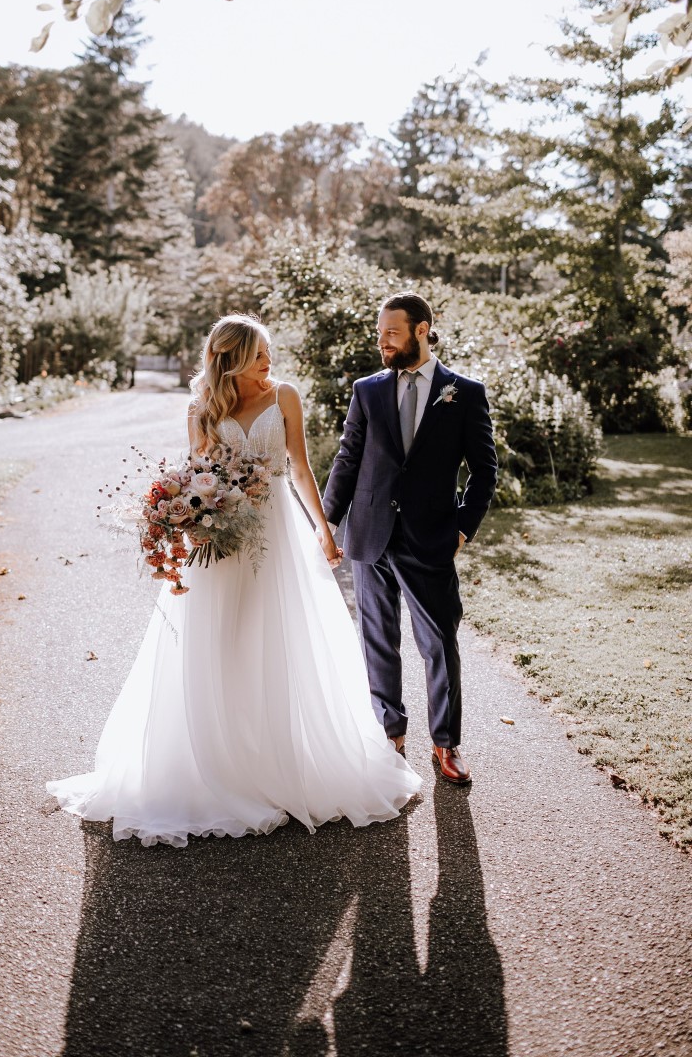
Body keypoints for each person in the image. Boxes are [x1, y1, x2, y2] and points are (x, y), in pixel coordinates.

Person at [47, 315, 421, 847]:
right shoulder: (201, 406)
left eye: (268, 352)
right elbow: (196, 473)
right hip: (222, 537)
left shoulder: (284, 396)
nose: (269, 361)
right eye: (259, 354)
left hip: (277, 535)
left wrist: (323, 530)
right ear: (233, 359)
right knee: (219, 641)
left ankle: (279, 761)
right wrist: (186, 520)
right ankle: (219, 764)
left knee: (282, 638)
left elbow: (299, 468)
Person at [323, 292, 498, 784]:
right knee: (378, 639)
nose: (382, 342)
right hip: (370, 534)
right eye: (380, 333)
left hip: (432, 536)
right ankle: (390, 733)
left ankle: (446, 743)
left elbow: (484, 470)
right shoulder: (366, 390)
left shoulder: (465, 393)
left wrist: (463, 527)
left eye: (392, 333)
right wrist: (327, 522)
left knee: (439, 641)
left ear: (422, 330)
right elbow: (348, 458)